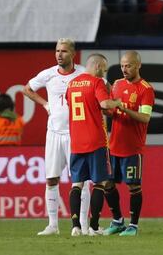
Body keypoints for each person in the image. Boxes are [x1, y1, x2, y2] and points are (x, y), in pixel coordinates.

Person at [22, 38, 91, 235]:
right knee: (51, 179)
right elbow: (27, 89)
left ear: (73, 54)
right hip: (53, 133)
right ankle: (53, 225)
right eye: (57, 51)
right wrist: (44, 104)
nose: (59, 54)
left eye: (64, 51)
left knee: (81, 181)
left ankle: (84, 226)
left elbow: (100, 88)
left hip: (76, 134)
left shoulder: (83, 73)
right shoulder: (48, 74)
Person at [66, 53, 121, 236]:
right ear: (97, 66)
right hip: (95, 141)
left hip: (76, 142)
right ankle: (94, 227)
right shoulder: (96, 82)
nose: (103, 73)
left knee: (77, 184)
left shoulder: (72, 84)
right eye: (104, 69)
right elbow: (105, 103)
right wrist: (118, 102)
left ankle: (75, 226)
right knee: (100, 183)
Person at [103, 51, 155, 236]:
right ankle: (117, 221)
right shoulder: (116, 84)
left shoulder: (145, 89)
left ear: (138, 65)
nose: (125, 69)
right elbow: (112, 112)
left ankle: (133, 225)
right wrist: (107, 109)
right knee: (107, 183)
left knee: (133, 186)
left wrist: (124, 108)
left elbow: (145, 117)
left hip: (133, 148)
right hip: (114, 145)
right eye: (123, 65)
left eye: (129, 66)